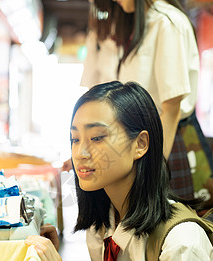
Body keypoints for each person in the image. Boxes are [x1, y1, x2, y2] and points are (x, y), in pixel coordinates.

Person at [25, 81, 213, 261]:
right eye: (75, 139)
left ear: (140, 144)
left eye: (97, 137)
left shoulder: (181, 243)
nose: (80, 153)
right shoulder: (102, 226)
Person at [81, 0, 213, 212]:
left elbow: (171, 108)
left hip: (166, 142)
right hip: (129, 144)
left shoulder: (166, 22)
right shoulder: (121, 22)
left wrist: (153, 171)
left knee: (169, 227)